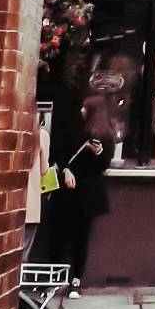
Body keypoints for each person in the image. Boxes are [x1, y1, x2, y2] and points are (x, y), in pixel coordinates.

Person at [52, 96, 114, 297]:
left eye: (85, 108)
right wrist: (65, 170)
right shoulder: (73, 128)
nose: (82, 111)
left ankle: (76, 280)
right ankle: (57, 277)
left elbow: (105, 165)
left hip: (88, 193)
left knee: (81, 237)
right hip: (69, 190)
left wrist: (99, 153)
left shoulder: (104, 133)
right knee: (61, 234)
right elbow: (59, 151)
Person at [22, 111, 51, 262]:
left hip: (11, 203)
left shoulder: (16, 133)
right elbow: (44, 170)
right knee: (24, 250)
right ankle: (19, 282)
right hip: (31, 201)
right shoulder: (42, 136)